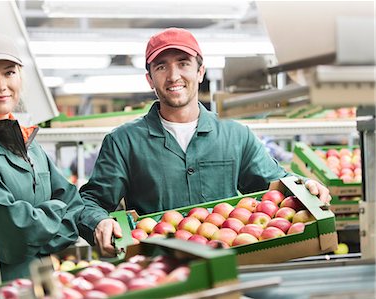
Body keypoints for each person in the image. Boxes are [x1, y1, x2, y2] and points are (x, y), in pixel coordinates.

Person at [80, 27, 331, 247]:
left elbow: (277, 183)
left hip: (233, 262)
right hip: (161, 268)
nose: (173, 75)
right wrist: (99, 221)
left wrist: (305, 186)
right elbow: (91, 201)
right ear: (150, 79)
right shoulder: (123, 142)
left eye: (183, 63)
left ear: (200, 72)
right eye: (161, 66)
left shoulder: (236, 136)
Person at [0, 32, 120, 292]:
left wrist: (95, 222)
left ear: (20, 77)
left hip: (38, 287)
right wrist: (60, 213)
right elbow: (17, 233)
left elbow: (75, 204)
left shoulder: (28, 145)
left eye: (9, 72)